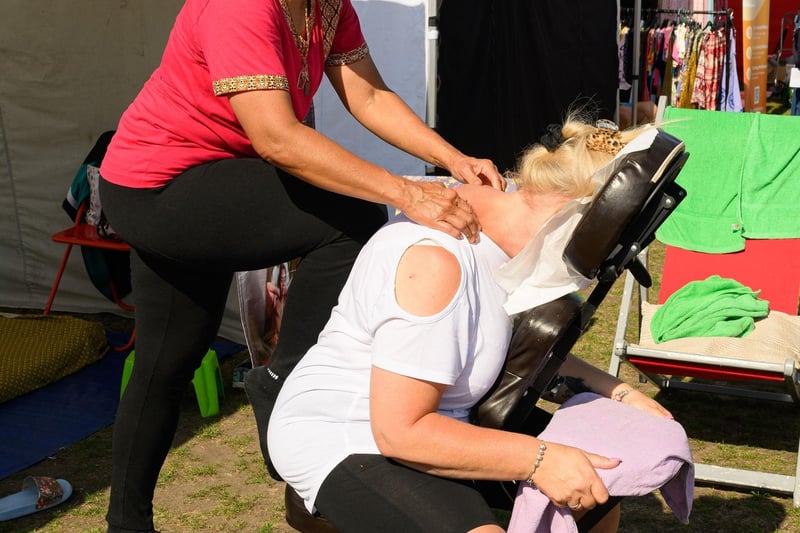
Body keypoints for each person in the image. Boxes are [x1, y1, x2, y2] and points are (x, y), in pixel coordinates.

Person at [97, 1, 505, 531]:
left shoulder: (329, 6)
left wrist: (452, 159)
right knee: (350, 215)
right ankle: (283, 382)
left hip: (201, 180)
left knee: (165, 362)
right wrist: (409, 192)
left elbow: (370, 94)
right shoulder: (238, 7)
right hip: (157, 187)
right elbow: (277, 138)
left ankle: (124, 524)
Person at [266, 114, 677, 533]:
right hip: (352, 437)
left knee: (598, 489)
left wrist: (620, 393)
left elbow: (507, 351)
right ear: (586, 219)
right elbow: (399, 433)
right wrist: (541, 459)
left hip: (440, 423)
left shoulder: (502, 227)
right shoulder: (436, 265)